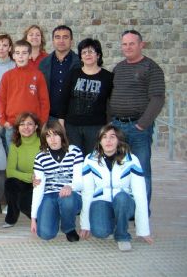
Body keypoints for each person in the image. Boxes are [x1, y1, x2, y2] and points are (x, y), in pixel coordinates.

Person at [109, 30, 165, 207]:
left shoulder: (151, 68)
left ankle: (141, 211)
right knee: (118, 170)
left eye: (132, 43)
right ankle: (124, 207)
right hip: (117, 127)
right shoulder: (119, 68)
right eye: (124, 44)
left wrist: (142, 125)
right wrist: (110, 123)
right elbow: (111, 96)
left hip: (138, 128)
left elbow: (157, 98)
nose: (128, 47)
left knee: (141, 171)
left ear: (141, 45)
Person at [80, 124, 153, 252]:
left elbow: (140, 194)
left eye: (112, 137)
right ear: (99, 141)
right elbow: (87, 192)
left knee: (121, 198)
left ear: (118, 140)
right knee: (100, 232)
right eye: (104, 137)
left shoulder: (132, 160)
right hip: (101, 200)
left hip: (124, 202)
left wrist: (143, 230)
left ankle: (122, 235)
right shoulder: (90, 160)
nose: (108, 141)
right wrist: (85, 225)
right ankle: (115, 220)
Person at [58, 38, 113, 155]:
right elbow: (63, 99)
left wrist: (109, 124)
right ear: (81, 57)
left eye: (91, 51)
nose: (87, 55)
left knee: (93, 158)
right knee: (75, 158)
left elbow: (111, 102)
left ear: (98, 55)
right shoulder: (73, 74)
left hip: (96, 126)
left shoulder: (107, 77)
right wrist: (61, 122)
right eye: (84, 52)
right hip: (72, 126)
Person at [30, 120, 83, 242]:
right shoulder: (40, 157)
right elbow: (38, 188)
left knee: (66, 200)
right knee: (45, 234)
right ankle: (58, 213)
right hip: (50, 195)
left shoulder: (74, 151)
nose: (52, 139)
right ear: (44, 139)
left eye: (55, 134)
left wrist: (70, 186)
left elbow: (80, 181)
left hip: (71, 194)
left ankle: (68, 228)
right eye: (48, 136)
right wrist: (34, 218)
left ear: (62, 135)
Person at [0, 40, 49, 148]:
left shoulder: (38, 75)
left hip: (33, 126)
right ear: (13, 56)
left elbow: (44, 101)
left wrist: (42, 122)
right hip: (12, 125)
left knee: (33, 158)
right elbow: (2, 100)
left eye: (24, 53)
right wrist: (3, 121)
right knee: (13, 158)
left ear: (30, 55)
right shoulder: (7, 76)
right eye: (17, 53)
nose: (20, 56)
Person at [2, 112, 41, 228]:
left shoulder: (43, 142)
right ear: (18, 128)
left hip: (41, 182)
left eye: (30, 124)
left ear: (36, 127)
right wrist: (29, 177)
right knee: (10, 183)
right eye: (22, 124)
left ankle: (41, 218)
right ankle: (11, 218)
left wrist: (37, 178)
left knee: (24, 204)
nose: (26, 127)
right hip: (27, 180)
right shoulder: (15, 144)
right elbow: (10, 171)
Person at [39, 25, 81, 121]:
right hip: (50, 118)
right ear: (53, 41)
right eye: (57, 37)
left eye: (65, 37)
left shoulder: (80, 63)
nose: (61, 41)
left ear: (72, 41)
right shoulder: (44, 64)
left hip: (73, 119)